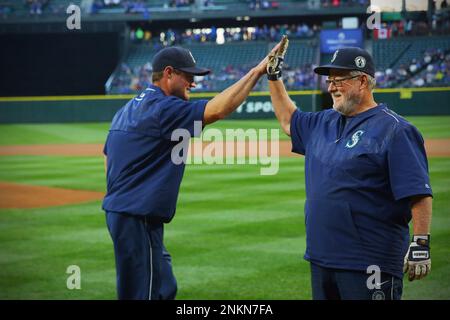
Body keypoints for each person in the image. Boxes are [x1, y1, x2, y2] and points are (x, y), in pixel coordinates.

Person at [102, 44, 279, 300]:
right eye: (188, 76)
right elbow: (217, 109)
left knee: (162, 286)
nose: (193, 83)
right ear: (169, 73)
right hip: (136, 216)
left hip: (126, 214)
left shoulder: (128, 108)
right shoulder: (163, 108)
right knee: (149, 293)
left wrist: (121, 196)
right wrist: (257, 72)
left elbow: (107, 154)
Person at [266, 45, 433, 300]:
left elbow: (418, 192)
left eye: (339, 80)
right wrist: (274, 76)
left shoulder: (395, 130)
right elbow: (289, 120)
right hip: (322, 258)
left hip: (369, 262)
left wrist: (420, 243)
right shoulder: (322, 122)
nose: (331, 87)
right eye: (329, 80)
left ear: (362, 81)